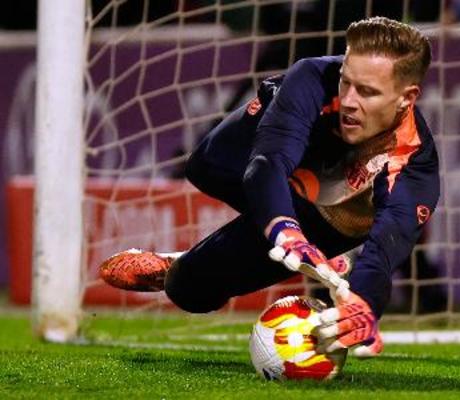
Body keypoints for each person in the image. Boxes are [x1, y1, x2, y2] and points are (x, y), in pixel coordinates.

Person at [100, 17, 440, 357]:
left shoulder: (415, 166)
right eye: (345, 81)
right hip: (280, 168)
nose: (349, 100)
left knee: (188, 291)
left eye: (367, 91)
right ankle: (308, 241)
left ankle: (179, 266)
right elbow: (268, 162)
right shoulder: (313, 77)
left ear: (406, 98)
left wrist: (363, 302)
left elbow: (385, 250)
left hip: (327, 215)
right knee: (206, 165)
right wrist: (286, 232)